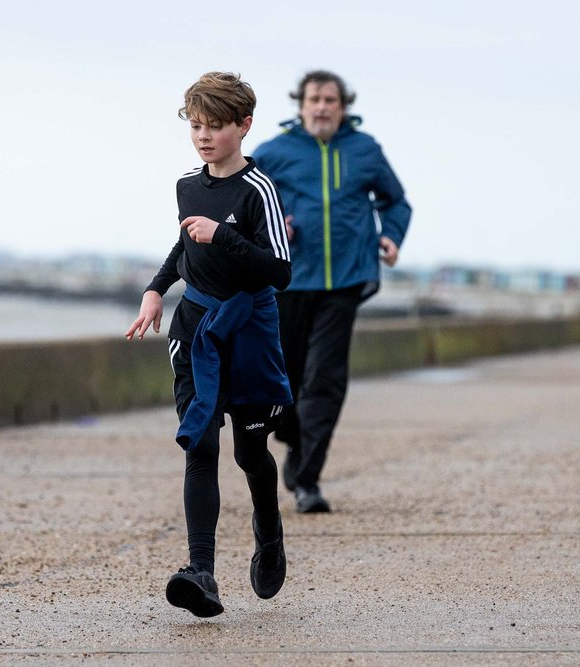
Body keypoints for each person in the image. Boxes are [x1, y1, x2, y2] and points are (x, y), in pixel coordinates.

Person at [125, 72, 293, 617]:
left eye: (215, 126)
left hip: (248, 330)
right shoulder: (187, 185)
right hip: (194, 324)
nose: (203, 136)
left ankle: (269, 535)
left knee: (249, 451)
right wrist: (156, 290)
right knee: (201, 446)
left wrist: (223, 235)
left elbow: (280, 271)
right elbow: (182, 244)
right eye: (196, 125)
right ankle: (202, 574)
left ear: (244, 126)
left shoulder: (259, 190)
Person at [253, 71, 412, 513]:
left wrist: (391, 236)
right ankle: (291, 437)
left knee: (325, 380)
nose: (321, 107)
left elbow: (396, 201)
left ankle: (308, 481)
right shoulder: (273, 152)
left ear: (343, 107)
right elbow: (243, 202)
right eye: (314, 99)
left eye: (330, 100)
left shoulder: (365, 149)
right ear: (300, 106)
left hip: (345, 279)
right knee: (282, 382)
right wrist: (267, 228)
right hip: (286, 281)